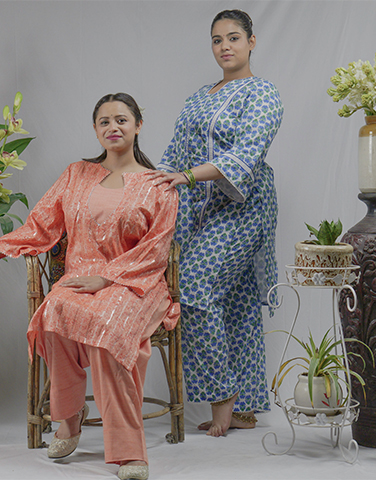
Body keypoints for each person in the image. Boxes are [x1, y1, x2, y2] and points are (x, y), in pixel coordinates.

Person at [0, 92, 179, 480]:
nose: (113, 127)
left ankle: (129, 450)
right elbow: (40, 224)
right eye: (104, 121)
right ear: (95, 129)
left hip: (137, 282)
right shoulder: (76, 174)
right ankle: (69, 418)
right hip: (81, 276)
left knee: (107, 326)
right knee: (53, 311)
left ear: (138, 125)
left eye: (121, 120)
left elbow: (156, 249)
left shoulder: (158, 185)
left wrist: (109, 277)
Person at [150, 9, 283, 437]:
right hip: (202, 209)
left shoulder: (263, 93)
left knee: (193, 287)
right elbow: (175, 152)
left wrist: (187, 177)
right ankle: (244, 407)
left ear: (251, 42)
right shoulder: (199, 96)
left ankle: (223, 395)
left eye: (233, 37)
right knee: (237, 302)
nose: (225, 46)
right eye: (217, 40)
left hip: (245, 206)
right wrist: (154, 183)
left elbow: (244, 155)